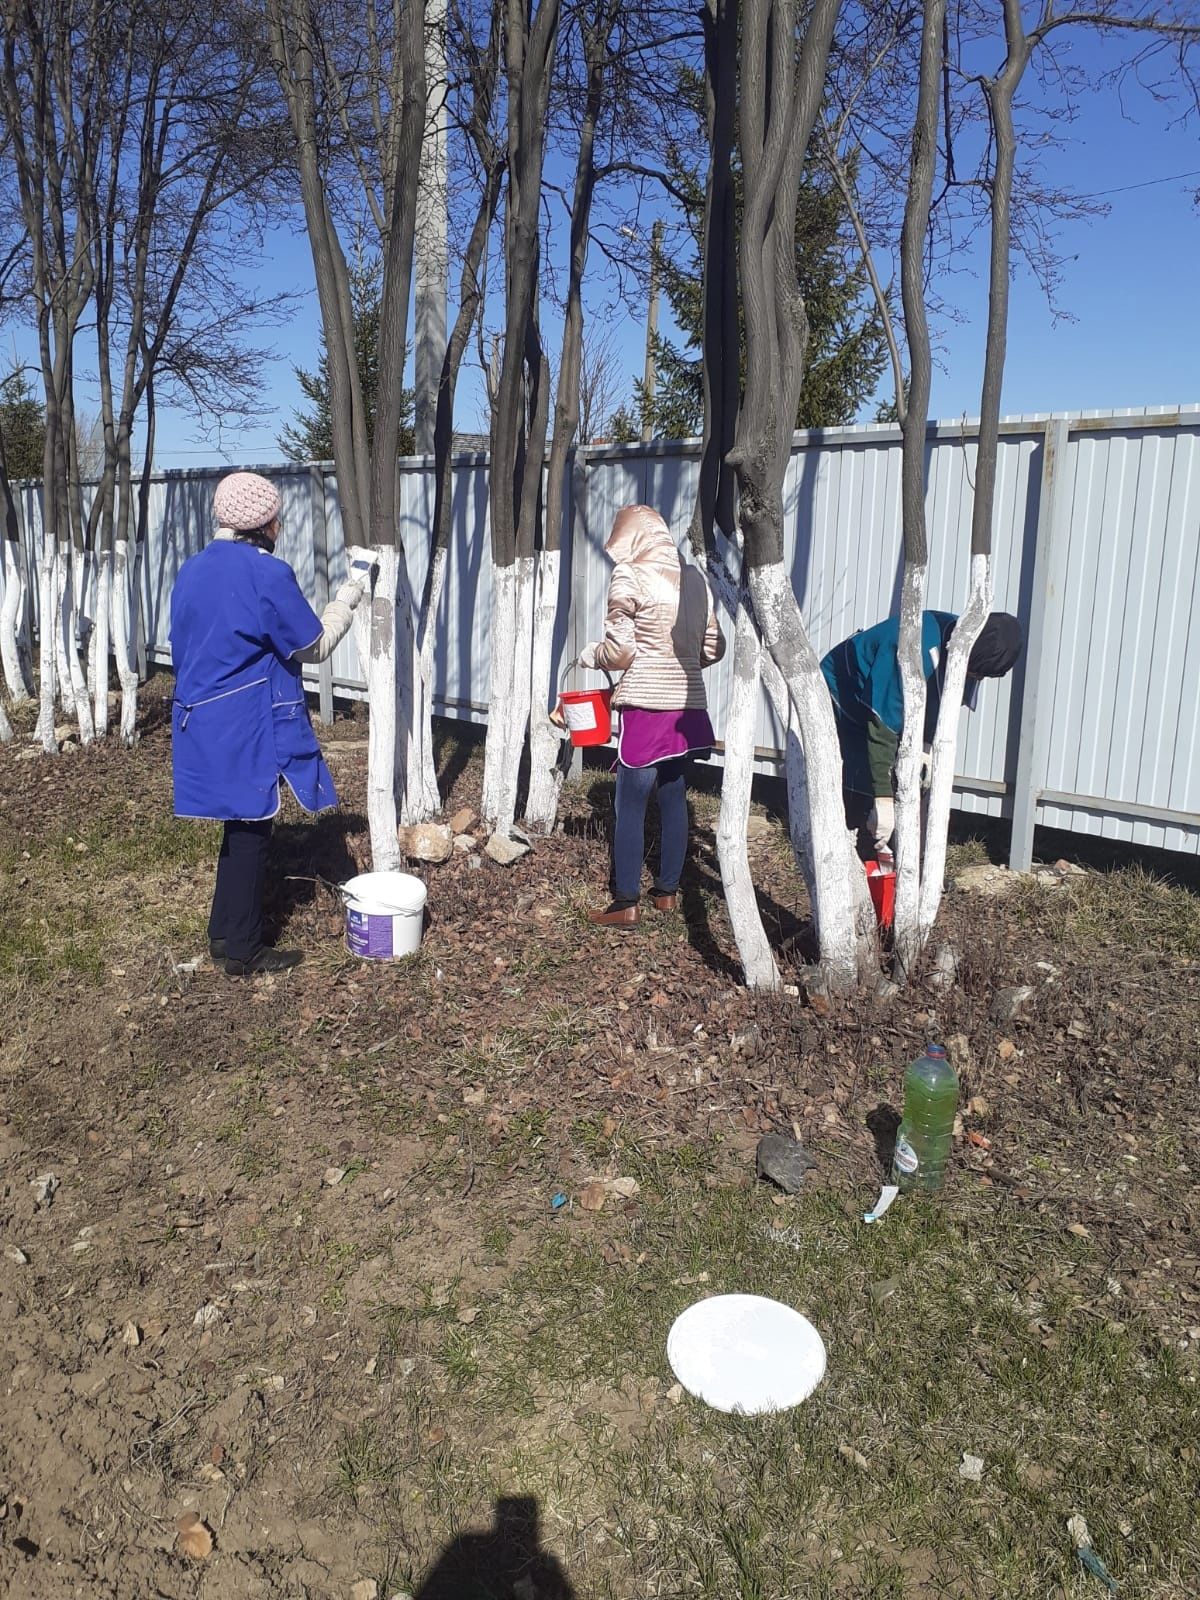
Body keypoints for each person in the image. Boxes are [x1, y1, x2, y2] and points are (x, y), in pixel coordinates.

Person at [170, 471, 370, 977]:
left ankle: (223, 933)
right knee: (253, 830)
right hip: (244, 722)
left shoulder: (192, 569)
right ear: (265, 523)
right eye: (276, 517)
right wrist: (348, 596)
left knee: (238, 827)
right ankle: (242, 950)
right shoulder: (266, 573)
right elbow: (313, 645)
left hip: (197, 718)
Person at [577, 504, 726, 928]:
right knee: (674, 795)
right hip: (689, 708)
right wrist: (683, 662)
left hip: (646, 705)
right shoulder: (696, 579)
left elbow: (620, 651)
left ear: (631, 538)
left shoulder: (630, 574)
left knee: (630, 803)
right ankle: (667, 894)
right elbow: (714, 649)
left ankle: (625, 901)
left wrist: (591, 655)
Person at [820, 608, 1023, 863]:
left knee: (907, 781)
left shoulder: (963, 647)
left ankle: (901, 864)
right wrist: (882, 799)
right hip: (844, 696)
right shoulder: (914, 651)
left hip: (884, 704)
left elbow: (938, 702)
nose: (975, 679)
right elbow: (882, 728)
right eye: (975, 674)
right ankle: (848, 859)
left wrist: (926, 745)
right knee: (860, 782)